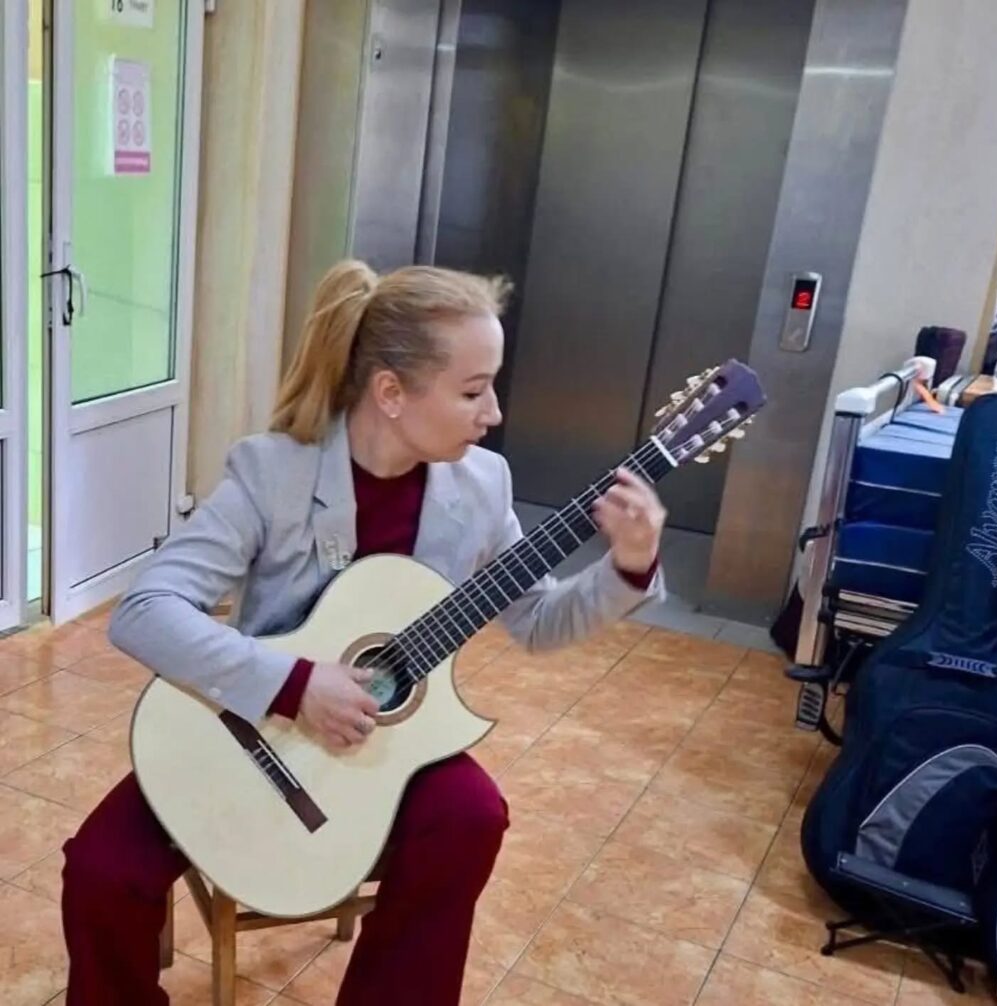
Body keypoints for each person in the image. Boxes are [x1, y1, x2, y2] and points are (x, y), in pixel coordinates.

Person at [60, 259, 667, 1005]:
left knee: (471, 817)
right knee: (101, 872)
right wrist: (295, 684)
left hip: (384, 751)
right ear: (391, 393)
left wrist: (629, 565)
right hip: (250, 734)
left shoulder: (481, 487)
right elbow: (146, 609)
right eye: (473, 391)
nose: (493, 413)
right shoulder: (272, 473)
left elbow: (539, 622)